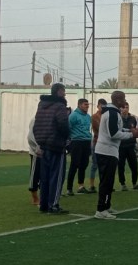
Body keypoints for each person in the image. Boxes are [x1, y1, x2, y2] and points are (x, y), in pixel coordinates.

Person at [94, 90, 138, 220]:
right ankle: (101, 209)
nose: (124, 101)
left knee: (109, 181)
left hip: (108, 151)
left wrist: (131, 130)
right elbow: (113, 134)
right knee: (106, 181)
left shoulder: (112, 112)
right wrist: (132, 134)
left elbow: (118, 129)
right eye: (123, 98)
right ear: (117, 100)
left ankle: (106, 205)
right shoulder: (112, 113)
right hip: (106, 151)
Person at [32, 83, 71, 214]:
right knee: (57, 176)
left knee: (45, 177)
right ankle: (53, 205)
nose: (65, 94)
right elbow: (63, 124)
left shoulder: (41, 105)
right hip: (56, 145)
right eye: (64, 91)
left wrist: (39, 141)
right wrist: (66, 139)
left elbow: (35, 126)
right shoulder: (60, 106)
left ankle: (44, 205)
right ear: (59, 91)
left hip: (43, 145)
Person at [66, 98, 92, 195]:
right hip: (77, 142)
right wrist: (69, 142)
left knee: (84, 164)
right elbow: (68, 128)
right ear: (80, 105)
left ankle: (81, 186)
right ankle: (69, 188)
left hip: (86, 141)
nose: (87, 106)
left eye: (87, 104)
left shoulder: (88, 116)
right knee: (74, 164)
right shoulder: (73, 116)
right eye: (85, 104)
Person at [118, 101, 138, 191]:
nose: (125, 109)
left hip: (131, 146)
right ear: (120, 108)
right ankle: (123, 184)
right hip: (121, 146)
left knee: (134, 166)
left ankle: (135, 183)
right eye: (123, 107)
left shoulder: (132, 118)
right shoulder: (118, 119)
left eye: (127, 107)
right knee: (121, 166)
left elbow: (135, 129)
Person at [88, 98, 107, 193]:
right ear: (98, 106)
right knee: (95, 165)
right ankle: (91, 185)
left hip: (105, 143)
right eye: (101, 106)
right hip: (97, 142)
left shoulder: (106, 116)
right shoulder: (94, 117)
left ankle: (103, 184)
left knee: (104, 165)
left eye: (104, 106)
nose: (102, 108)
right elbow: (101, 128)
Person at [27, 117, 41, 205]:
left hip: (47, 152)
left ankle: (43, 196)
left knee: (45, 175)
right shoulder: (35, 120)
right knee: (35, 174)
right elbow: (30, 137)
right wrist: (37, 148)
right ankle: (34, 197)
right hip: (36, 152)